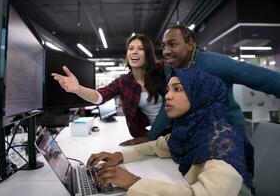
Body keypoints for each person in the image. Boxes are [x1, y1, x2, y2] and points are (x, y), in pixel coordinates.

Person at [86, 68, 254, 196]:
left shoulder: (222, 145)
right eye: (168, 89)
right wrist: (119, 156)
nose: (167, 96)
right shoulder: (195, 128)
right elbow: (159, 146)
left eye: (178, 89)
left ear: (200, 95)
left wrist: (133, 182)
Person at [150, 24, 280, 137]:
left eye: (172, 44)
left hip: (228, 137)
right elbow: (169, 103)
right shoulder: (170, 68)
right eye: (163, 46)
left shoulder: (214, 63)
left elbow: (263, 78)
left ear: (190, 44)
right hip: (196, 136)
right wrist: (151, 136)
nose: (166, 51)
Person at [52, 34, 167, 145]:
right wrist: (78, 89)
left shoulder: (162, 70)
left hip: (174, 128)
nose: (134, 51)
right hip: (152, 135)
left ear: (148, 54)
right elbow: (100, 96)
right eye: (131, 48)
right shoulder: (124, 82)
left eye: (140, 48)